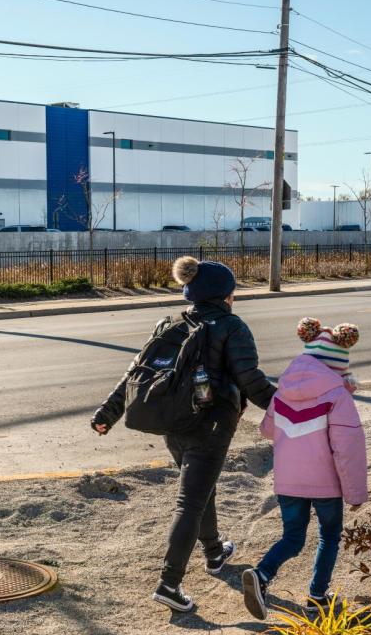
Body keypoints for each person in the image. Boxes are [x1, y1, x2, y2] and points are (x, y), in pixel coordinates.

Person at [92, 256, 276, 612]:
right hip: (211, 426)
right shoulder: (231, 326)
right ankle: (169, 583)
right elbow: (252, 382)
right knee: (190, 501)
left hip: (173, 423)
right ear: (225, 294)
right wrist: (293, 410)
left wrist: (108, 413)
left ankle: (214, 553)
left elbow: (135, 374)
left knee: (199, 488)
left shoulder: (171, 324)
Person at [242, 318, 368, 620]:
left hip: (288, 480)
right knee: (329, 535)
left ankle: (261, 575)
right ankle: (317, 596)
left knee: (293, 537)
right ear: (338, 366)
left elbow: (268, 430)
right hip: (326, 483)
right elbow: (347, 449)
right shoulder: (337, 396)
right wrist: (355, 493)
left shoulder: (283, 392)